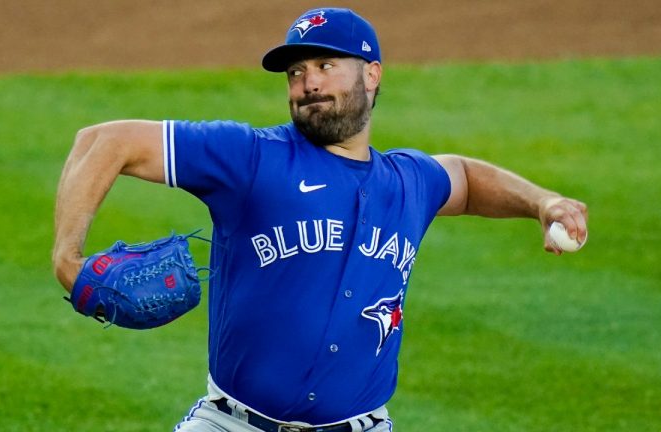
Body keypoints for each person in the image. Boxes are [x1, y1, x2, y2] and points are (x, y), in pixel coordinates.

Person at [53, 7, 588, 432]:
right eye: (296, 72)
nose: (308, 82)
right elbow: (103, 141)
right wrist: (67, 259)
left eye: (326, 66)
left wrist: (542, 202)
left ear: (372, 74)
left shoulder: (408, 182)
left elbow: (467, 179)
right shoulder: (251, 157)